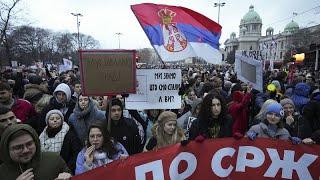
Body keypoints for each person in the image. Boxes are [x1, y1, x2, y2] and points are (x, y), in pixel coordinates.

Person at [0, 124, 71, 180]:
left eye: (29, 144)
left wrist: (68, 177)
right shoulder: (2, 172)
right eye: (18, 147)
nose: (26, 150)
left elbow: (70, 175)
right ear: (7, 149)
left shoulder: (54, 159)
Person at [39, 110, 81, 174]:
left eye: (58, 118)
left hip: (65, 170)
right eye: (52, 119)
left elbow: (76, 154)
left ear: (62, 120)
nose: (55, 120)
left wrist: (65, 169)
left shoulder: (70, 134)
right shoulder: (42, 136)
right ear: (47, 122)